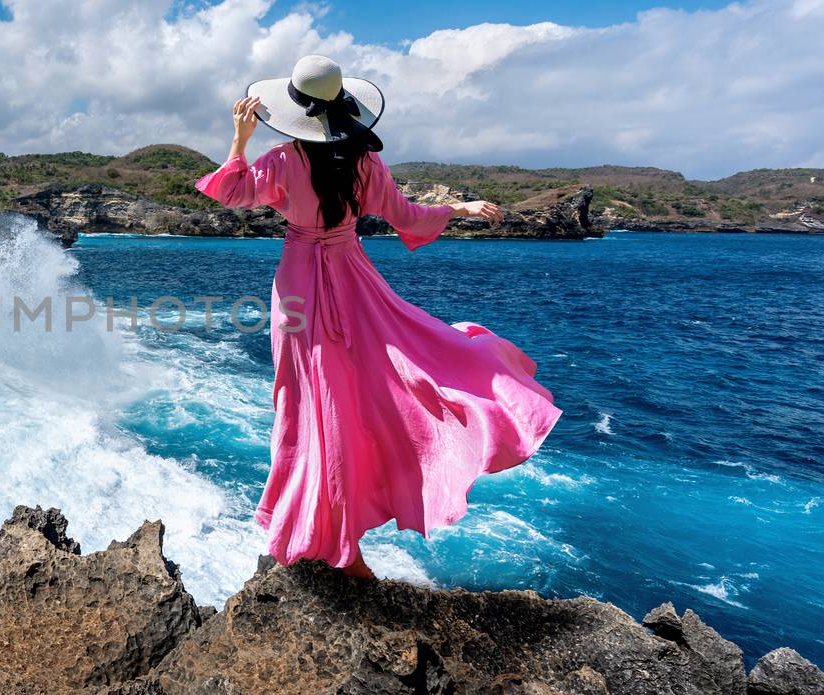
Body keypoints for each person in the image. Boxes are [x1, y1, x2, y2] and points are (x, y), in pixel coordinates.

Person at [197, 55, 561, 578]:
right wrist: (460, 209)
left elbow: (231, 192)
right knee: (388, 378)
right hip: (353, 279)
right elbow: (408, 216)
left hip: (300, 288)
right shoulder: (366, 164)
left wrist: (239, 138)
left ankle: (322, 535)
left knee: (309, 405)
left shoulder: (281, 162)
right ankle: (340, 534)